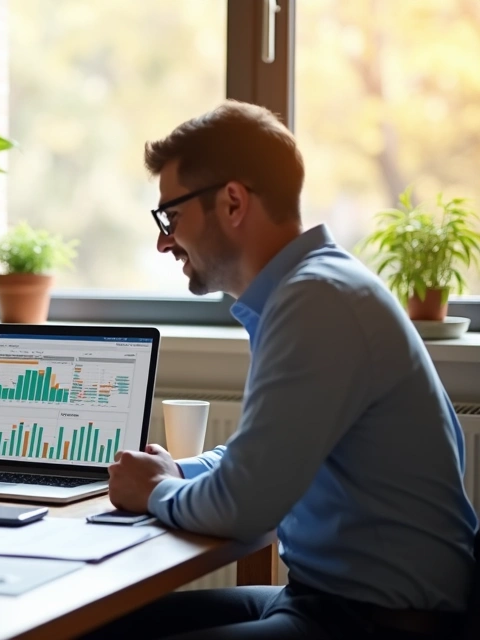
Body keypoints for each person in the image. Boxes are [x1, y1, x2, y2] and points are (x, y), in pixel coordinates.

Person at [89, 100, 477, 639]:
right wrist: (179, 473)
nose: (163, 240)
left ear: (232, 202)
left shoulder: (317, 301)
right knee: (100, 627)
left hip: (378, 623)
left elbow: (245, 505)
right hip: (323, 601)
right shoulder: (307, 290)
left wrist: (153, 490)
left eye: (171, 216)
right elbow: (262, 454)